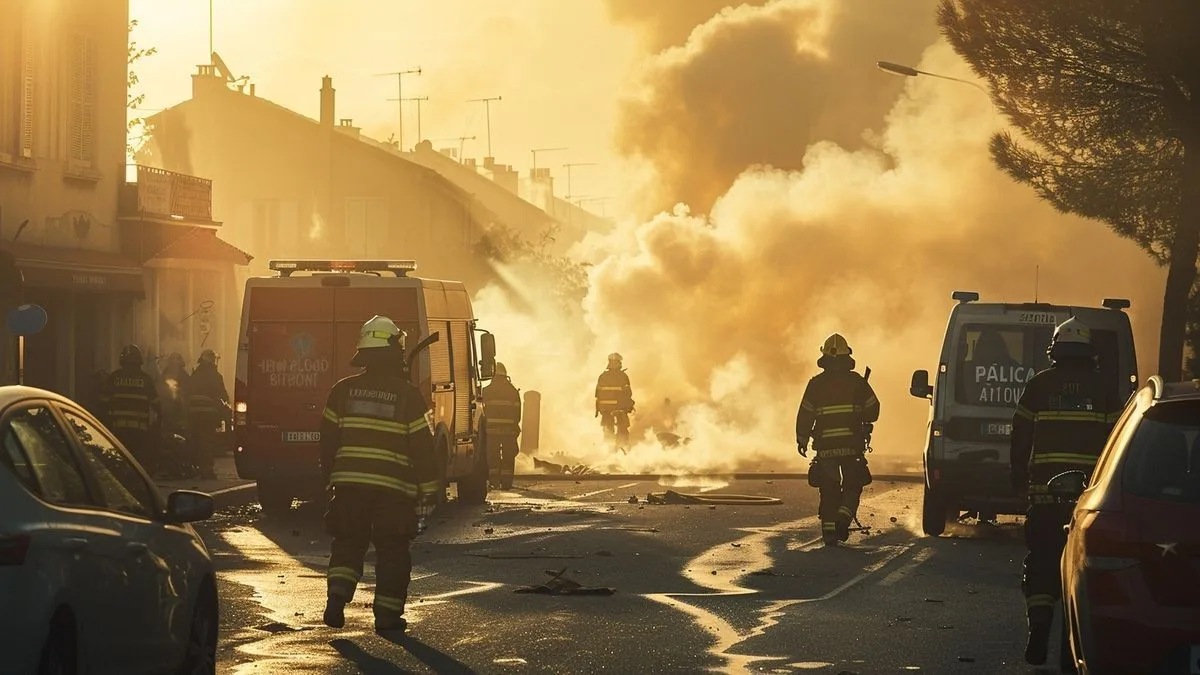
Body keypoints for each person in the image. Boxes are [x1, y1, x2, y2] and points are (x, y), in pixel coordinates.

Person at [1010, 317, 1122, 666]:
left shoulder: (1039, 385)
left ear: (1055, 350)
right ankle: (1082, 640)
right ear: (1090, 352)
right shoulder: (1105, 389)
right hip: (1090, 498)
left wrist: (1017, 475)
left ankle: (1040, 623)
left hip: (1045, 493)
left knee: (1042, 558)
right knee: (1087, 567)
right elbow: (1117, 441)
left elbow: (1020, 433)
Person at [320, 315, 437, 635]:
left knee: (347, 543)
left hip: (349, 488)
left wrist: (330, 478)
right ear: (394, 351)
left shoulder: (342, 391)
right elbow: (423, 448)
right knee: (392, 552)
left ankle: (336, 599)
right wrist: (430, 490)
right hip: (393, 491)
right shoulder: (407, 395)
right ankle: (386, 618)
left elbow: (327, 441)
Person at [794, 333, 880, 547]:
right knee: (853, 485)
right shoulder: (858, 382)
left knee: (828, 488)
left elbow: (805, 414)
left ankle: (830, 534)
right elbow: (874, 411)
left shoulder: (816, 384)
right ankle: (843, 519)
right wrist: (859, 411)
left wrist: (802, 439)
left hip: (826, 448)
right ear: (846, 357)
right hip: (852, 446)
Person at [100, 345, 161, 473]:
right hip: (139, 430)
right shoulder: (145, 379)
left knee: (120, 459)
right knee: (136, 461)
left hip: (117, 429)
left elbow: (103, 403)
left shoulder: (114, 377)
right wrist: (160, 421)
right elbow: (156, 404)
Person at [188, 349, 230, 480]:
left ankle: (196, 466)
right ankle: (207, 470)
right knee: (207, 441)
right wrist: (226, 408)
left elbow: (186, 392)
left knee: (196, 440)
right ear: (211, 360)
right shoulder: (215, 376)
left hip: (193, 414)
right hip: (208, 415)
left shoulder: (195, 374)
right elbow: (222, 395)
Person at [482, 361, 522, 489]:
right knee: (508, 456)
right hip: (509, 430)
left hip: (491, 430)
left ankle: (494, 481)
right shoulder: (513, 391)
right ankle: (506, 482)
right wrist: (515, 427)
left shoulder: (486, 390)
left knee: (492, 455)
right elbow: (517, 413)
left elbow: (483, 411)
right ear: (505, 375)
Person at [595, 353, 634, 448]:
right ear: (618, 363)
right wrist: (629, 406)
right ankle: (622, 446)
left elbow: (597, 394)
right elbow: (628, 393)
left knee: (607, 429)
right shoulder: (623, 376)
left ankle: (608, 448)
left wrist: (600, 408)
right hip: (619, 408)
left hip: (605, 409)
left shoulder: (602, 376)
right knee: (622, 428)